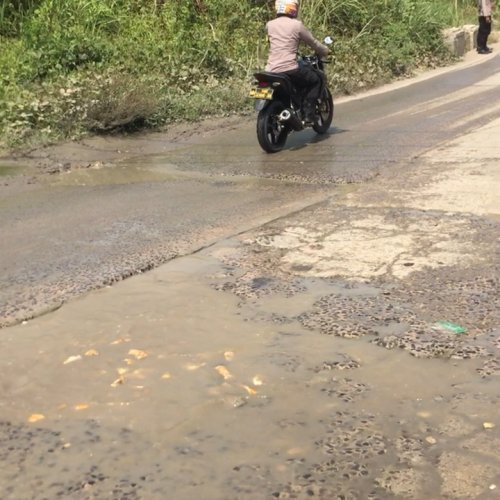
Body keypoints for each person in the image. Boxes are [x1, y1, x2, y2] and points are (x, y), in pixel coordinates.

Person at [265, 0, 330, 123]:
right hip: (289, 68)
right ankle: (308, 114)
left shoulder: (269, 25)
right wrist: (326, 51)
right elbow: (313, 43)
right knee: (317, 79)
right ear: (293, 9)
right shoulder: (296, 25)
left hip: (270, 69)